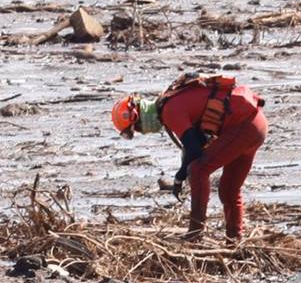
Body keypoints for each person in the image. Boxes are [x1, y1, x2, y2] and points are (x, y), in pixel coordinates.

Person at [111, 74, 267, 240]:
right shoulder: (169, 100)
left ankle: (195, 232)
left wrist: (179, 177)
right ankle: (235, 241)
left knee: (199, 170)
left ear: (137, 116)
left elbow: (194, 152)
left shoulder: (169, 110)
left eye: (137, 128)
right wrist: (182, 174)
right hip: (257, 125)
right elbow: (196, 143)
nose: (142, 131)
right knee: (228, 190)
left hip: (244, 127)